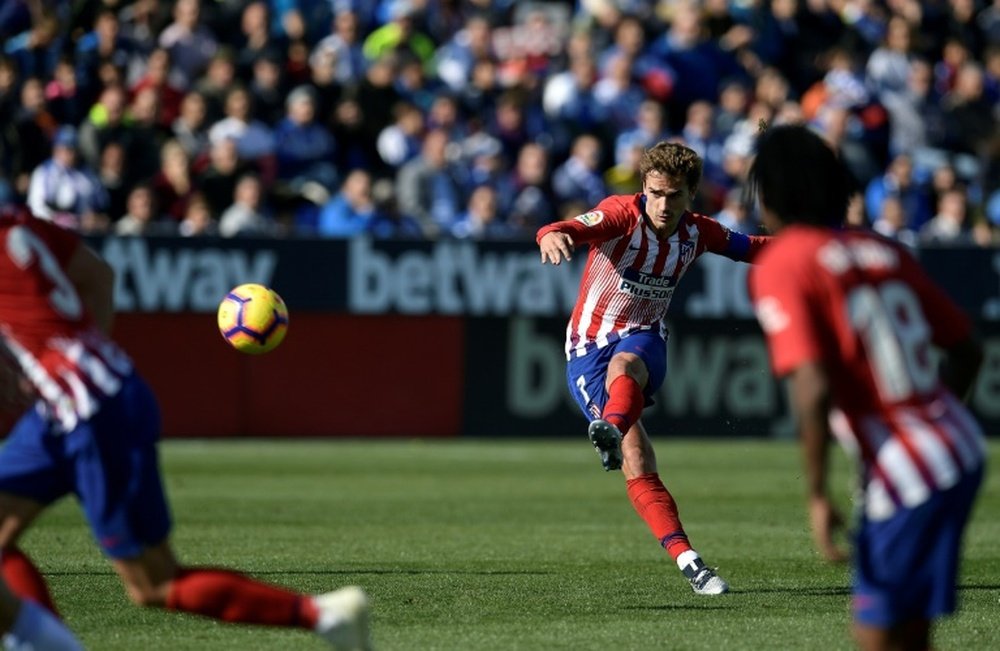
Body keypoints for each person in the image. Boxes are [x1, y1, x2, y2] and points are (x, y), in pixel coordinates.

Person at [0, 205, 372, 651]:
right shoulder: (17, 221)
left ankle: (324, 616)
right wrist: (77, 365)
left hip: (90, 414)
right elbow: (97, 276)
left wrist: (65, 377)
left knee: (152, 582)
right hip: (85, 397)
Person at [746, 124, 986, 651]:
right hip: (962, 449)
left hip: (911, 470)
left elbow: (812, 385)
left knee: (876, 635)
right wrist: (935, 423)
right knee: (911, 632)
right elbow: (969, 349)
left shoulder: (786, 260)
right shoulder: (882, 249)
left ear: (771, 195)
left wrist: (815, 494)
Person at [536, 140, 769, 595]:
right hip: (586, 349)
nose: (663, 204)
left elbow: (750, 247)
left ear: (692, 194)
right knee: (637, 458)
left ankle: (610, 426)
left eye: (674, 195)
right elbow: (562, 226)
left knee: (628, 362)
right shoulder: (620, 214)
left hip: (643, 337)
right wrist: (549, 234)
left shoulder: (699, 232)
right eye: (656, 193)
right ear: (644, 186)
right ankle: (690, 562)